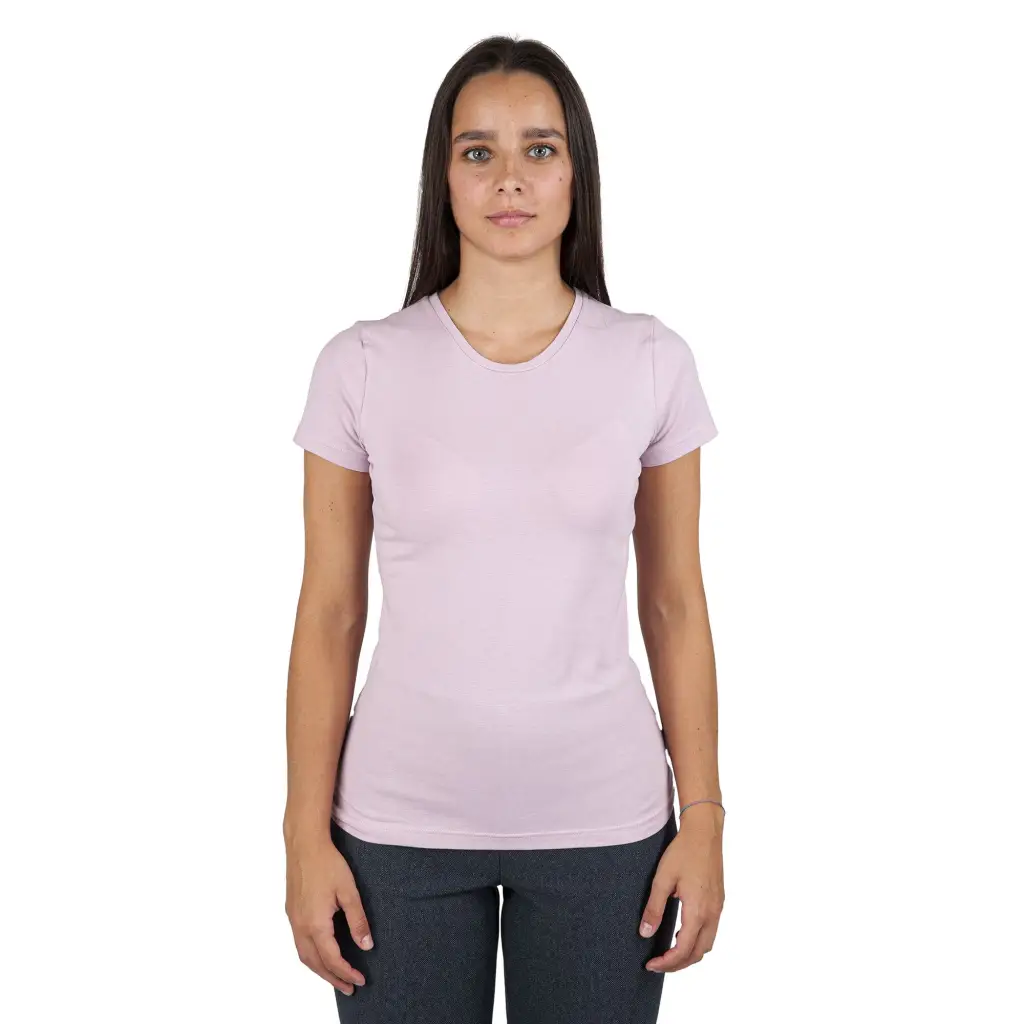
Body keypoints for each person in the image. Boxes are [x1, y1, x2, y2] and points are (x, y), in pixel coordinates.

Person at [283, 34, 726, 1024]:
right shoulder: (361, 364)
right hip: (396, 827)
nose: (509, 178)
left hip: (604, 826)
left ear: (577, 173)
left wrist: (703, 815)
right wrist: (302, 835)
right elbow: (328, 614)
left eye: (541, 148)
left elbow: (674, 603)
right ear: (442, 177)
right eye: (477, 151)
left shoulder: (651, 361)